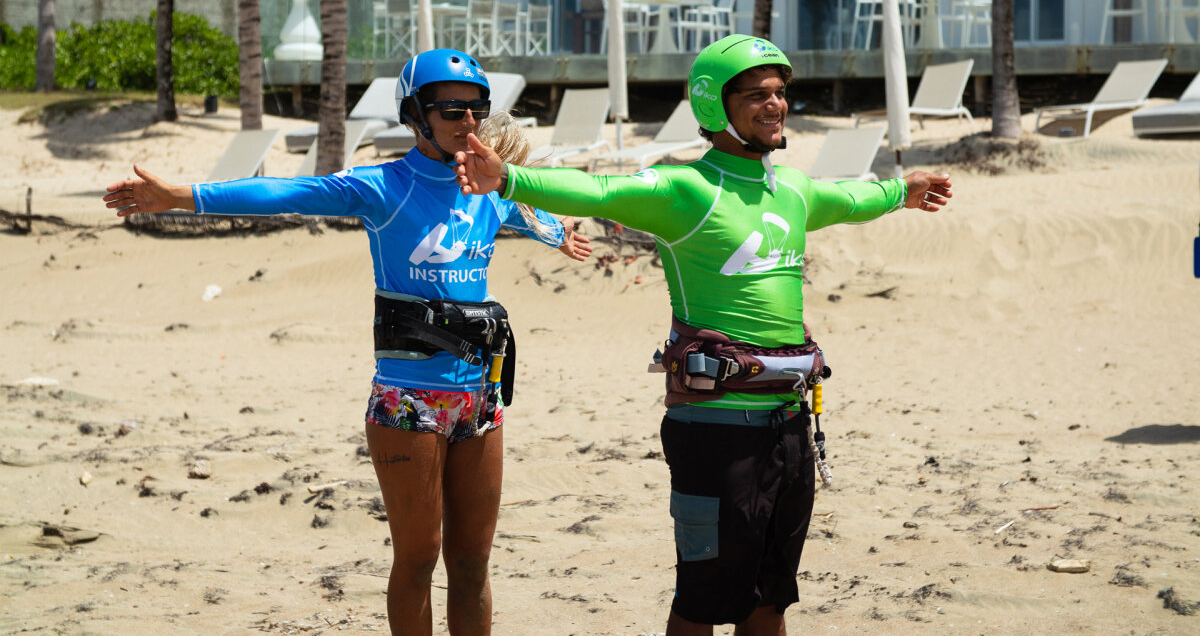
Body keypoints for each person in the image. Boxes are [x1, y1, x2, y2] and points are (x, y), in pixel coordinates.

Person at [454, 35, 952, 635]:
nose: (775, 105)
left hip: (790, 424)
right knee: (703, 601)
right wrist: (509, 180)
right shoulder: (687, 191)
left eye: (780, 93)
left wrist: (903, 191)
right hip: (715, 433)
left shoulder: (791, 191)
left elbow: (851, 196)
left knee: (770, 600)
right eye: (756, 95)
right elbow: (601, 189)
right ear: (715, 106)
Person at [101, 48, 592, 635]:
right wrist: (182, 196)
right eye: (450, 109)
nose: (467, 121)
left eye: (476, 108)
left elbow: (540, 208)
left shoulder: (491, 190)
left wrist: (562, 233)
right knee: (418, 558)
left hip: (481, 399)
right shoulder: (384, 187)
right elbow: (287, 193)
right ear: (417, 115)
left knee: (472, 561)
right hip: (409, 400)